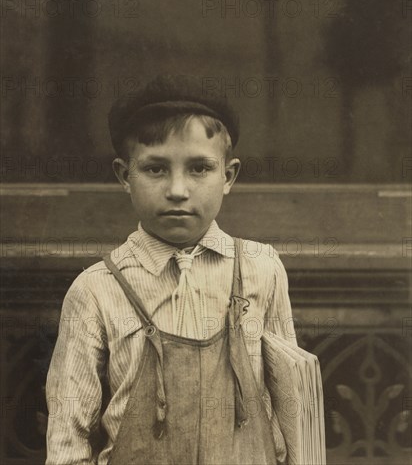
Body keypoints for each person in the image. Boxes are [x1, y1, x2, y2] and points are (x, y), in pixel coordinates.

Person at [45, 74, 297, 465]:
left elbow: (293, 406)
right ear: (124, 175)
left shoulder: (261, 268)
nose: (178, 190)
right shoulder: (96, 290)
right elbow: (68, 438)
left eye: (199, 168)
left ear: (228, 176)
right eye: (156, 169)